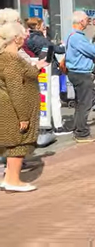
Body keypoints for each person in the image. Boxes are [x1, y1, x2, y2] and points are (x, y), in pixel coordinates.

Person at [0, 21, 50, 192]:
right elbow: (16, 89)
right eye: (22, 35)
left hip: (14, 107)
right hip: (14, 110)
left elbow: (25, 75)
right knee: (18, 144)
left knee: (16, 144)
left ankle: (8, 178)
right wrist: (23, 116)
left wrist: (37, 67)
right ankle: (13, 180)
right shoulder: (10, 60)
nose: (25, 37)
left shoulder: (12, 57)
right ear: (15, 39)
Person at [65, 11, 95, 143]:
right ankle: (81, 133)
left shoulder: (75, 36)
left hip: (77, 72)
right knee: (85, 103)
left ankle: (79, 129)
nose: (88, 23)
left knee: (81, 103)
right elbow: (94, 51)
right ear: (81, 21)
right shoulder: (77, 37)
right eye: (87, 20)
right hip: (81, 74)